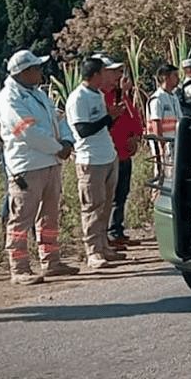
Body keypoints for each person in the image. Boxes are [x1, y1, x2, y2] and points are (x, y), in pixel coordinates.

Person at [0, 49, 80, 285]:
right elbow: (28, 132)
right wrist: (57, 147)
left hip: (50, 163)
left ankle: (51, 262)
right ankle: (19, 268)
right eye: (36, 68)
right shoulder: (9, 100)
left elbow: (59, 119)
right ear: (24, 72)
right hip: (27, 166)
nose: (40, 72)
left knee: (49, 217)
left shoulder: (38, 94)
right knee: (21, 219)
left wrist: (67, 141)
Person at [65, 56, 125, 269]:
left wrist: (113, 117)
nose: (107, 77)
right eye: (104, 72)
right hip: (90, 160)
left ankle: (104, 246)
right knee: (92, 207)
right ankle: (93, 252)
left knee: (106, 205)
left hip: (107, 155)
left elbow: (102, 127)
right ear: (95, 74)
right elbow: (83, 130)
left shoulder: (98, 94)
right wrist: (108, 118)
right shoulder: (78, 98)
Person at [102, 67, 144, 248]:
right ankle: (108, 234)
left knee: (121, 194)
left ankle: (117, 230)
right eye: (116, 73)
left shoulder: (123, 97)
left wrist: (135, 137)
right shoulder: (104, 97)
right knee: (110, 197)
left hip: (126, 153)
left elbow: (135, 119)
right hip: (112, 154)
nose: (121, 77)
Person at [146, 63, 182, 189]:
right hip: (162, 143)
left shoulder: (174, 97)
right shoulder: (157, 98)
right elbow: (156, 122)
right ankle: (156, 196)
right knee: (161, 173)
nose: (178, 78)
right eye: (175, 75)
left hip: (173, 142)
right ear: (165, 77)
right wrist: (161, 145)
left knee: (172, 174)